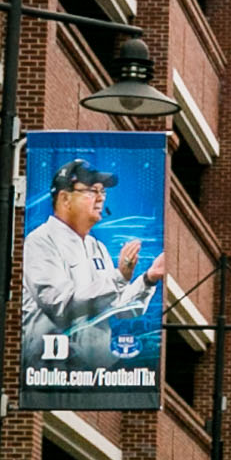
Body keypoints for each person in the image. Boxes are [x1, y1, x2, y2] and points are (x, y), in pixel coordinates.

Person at [21, 157, 164, 372]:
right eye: (92, 191)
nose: (100, 199)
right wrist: (118, 277)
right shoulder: (40, 241)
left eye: (102, 192)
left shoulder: (97, 247)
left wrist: (149, 279)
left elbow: (119, 309)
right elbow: (60, 304)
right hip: (51, 371)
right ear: (64, 198)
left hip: (95, 374)